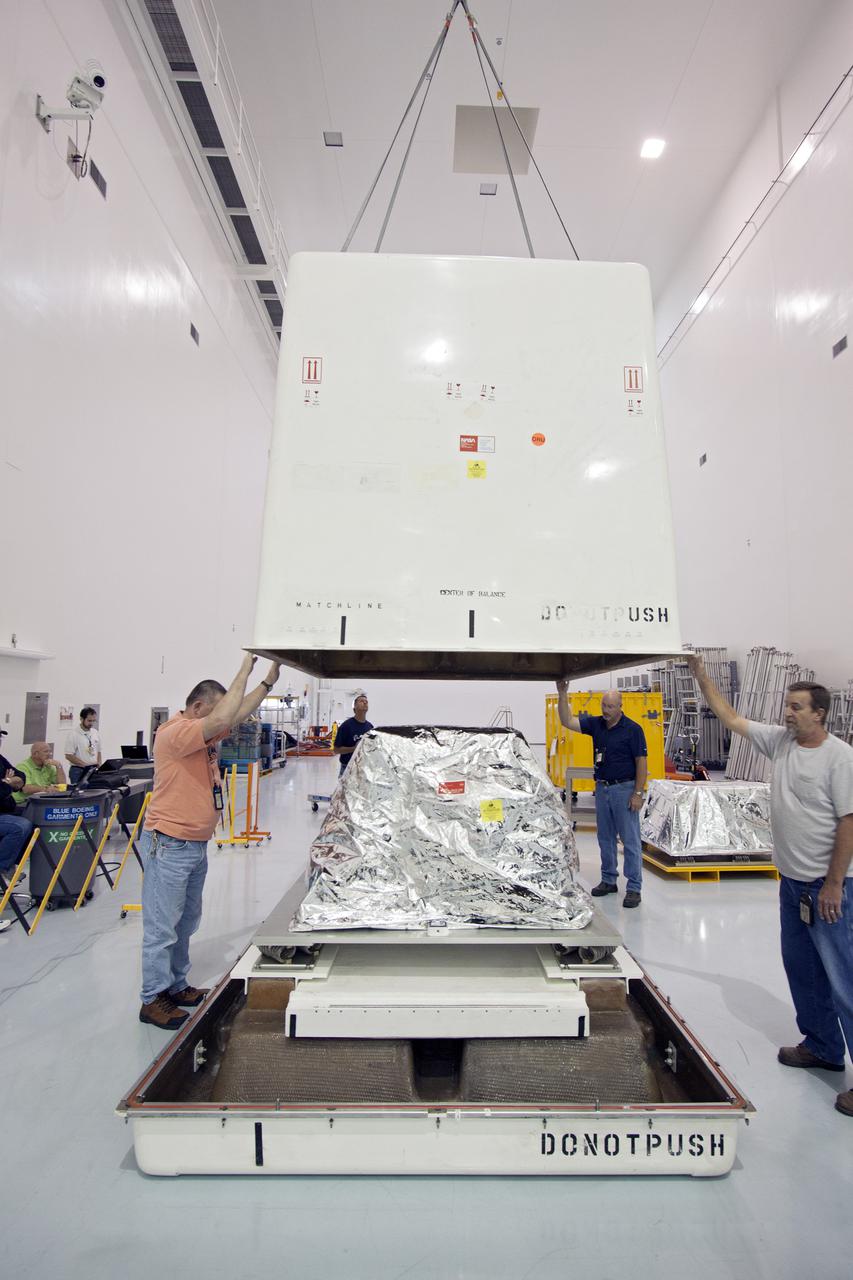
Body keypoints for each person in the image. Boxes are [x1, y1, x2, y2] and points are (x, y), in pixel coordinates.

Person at [687, 653, 853, 1119]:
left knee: (844, 981)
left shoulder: (840, 759)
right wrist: (702, 675)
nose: (788, 712)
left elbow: (848, 824)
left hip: (830, 888)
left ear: (819, 713)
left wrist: (835, 885)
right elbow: (729, 716)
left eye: (797, 706)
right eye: (787, 705)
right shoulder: (781, 743)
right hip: (793, 885)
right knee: (803, 971)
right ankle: (821, 1046)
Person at [138, 653, 281, 1031]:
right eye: (214, 712)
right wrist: (245, 668)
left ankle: (176, 985)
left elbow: (232, 715)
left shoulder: (201, 732)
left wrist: (268, 681)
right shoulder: (175, 732)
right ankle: (152, 998)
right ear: (198, 707)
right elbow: (222, 717)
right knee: (162, 926)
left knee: (185, 922)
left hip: (193, 845)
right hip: (169, 844)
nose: (222, 721)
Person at [556, 680, 647, 907]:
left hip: (624, 789)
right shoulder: (596, 725)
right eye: (603, 705)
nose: (605, 711)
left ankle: (634, 887)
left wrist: (638, 793)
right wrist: (562, 692)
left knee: (630, 840)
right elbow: (566, 720)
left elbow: (641, 763)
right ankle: (608, 879)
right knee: (604, 837)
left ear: (620, 706)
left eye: (610, 707)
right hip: (602, 788)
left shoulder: (633, 730)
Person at [0, 747, 32, 878]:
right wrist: (9, 782)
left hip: (6, 810)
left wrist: (7, 782)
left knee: (34, 820)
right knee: (20, 827)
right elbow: (1, 792)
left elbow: (21, 776)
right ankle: (3, 867)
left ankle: (10, 863)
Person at [333, 693, 373, 775]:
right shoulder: (346, 726)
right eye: (361, 701)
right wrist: (354, 749)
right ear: (354, 707)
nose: (365, 703)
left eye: (366, 702)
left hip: (363, 769)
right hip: (347, 769)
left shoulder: (370, 727)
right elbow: (336, 750)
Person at [65, 707, 101, 783]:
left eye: (93, 721)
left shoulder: (95, 732)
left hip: (93, 770)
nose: (91, 723)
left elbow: (98, 751)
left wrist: (99, 766)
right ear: (81, 719)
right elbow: (69, 755)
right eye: (89, 721)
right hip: (78, 771)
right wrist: (85, 766)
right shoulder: (73, 734)